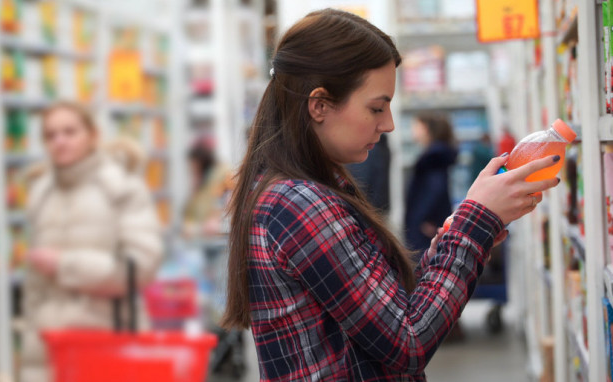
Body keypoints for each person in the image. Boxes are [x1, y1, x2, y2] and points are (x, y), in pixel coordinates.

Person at [221, 9, 559, 381]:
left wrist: (459, 234)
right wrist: (473, 226)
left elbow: (388, 312)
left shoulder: (307, 190)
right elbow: (408, 342)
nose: (389, 124)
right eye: (376, 108)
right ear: (319, 105)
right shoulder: (299, 204)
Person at [20, 102, 163, 382]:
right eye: (50, 135)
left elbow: (142, 266)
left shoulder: (121, 189)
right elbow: (34, 293)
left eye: (69, 132)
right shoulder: (40, 195)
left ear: (93, 135)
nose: (60, 141)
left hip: (108, 347)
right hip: (49, 352)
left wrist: (65, 265)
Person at [405, 113, 457, 257]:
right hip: (428, 222)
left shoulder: (433, 156)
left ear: (426, 128)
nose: (413, 130)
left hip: (426, 225)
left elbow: (436, 188)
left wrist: (428, 219)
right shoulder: (436, 154)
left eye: (416, 126)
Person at [182, 135, 234, 238]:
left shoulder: (223, 176)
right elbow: (189, 213)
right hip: (203, 237)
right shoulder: (202, 182)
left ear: (201, 162)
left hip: (216, 237)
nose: (192, 169)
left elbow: (224, 207)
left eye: (194, 165)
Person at [346, 134, 391, 213]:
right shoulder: (381, 146)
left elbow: (361, 182)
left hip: (368, 208)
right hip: (378, 206)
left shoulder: (369, 149)